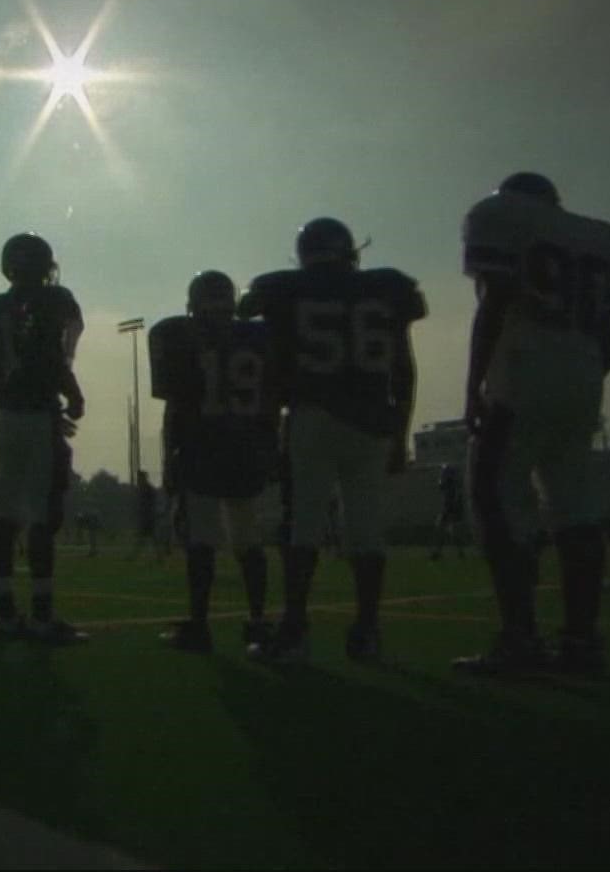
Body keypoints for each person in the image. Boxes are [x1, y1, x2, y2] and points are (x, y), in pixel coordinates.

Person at [452, 172, 610, 677]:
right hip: (584, 373)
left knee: (493, 495)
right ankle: (581, 640)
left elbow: (497, 299)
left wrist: (475, 384)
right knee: (576, 508)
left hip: (524, 367)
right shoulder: (599, 235)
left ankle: (519, 637)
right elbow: (609, 341)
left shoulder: (500, 215)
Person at [240, 217, 427, 665]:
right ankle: (366, 631)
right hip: (372, 418)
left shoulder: (284, 288)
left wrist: (267, 426)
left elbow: (259, 336)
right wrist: (401, 430)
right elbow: (403, 366)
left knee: (303, 523)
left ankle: (295, 631)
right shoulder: (386, 288)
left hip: (313, 414)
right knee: (365, 528)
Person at [148, 270, 281, 653]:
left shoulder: (180, 335)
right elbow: (271, 400)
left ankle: (200, 625)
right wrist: (270, 447)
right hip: (245, 447)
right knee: (248, 541)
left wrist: (171, 459)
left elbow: (176, 405)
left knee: (201, 543)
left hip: (202, 447)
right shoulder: (258, 337)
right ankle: (257, 621)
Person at [0, 232, 88, 645]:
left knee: (7, 514)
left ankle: (4, 612)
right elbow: (50, 355)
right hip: (37, 416)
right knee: (42, 516)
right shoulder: (52, 301)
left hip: (5, 417)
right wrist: (72, 393)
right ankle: (41, 614)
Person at [431, 463, 469, 561]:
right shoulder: (453, 485)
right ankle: (458, 552)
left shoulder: (451, 485)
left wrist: (453, 503)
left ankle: (439, 552)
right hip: (451, 506)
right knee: (448, 529)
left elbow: (442, 486)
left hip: (450, 506)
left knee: (442, 527)